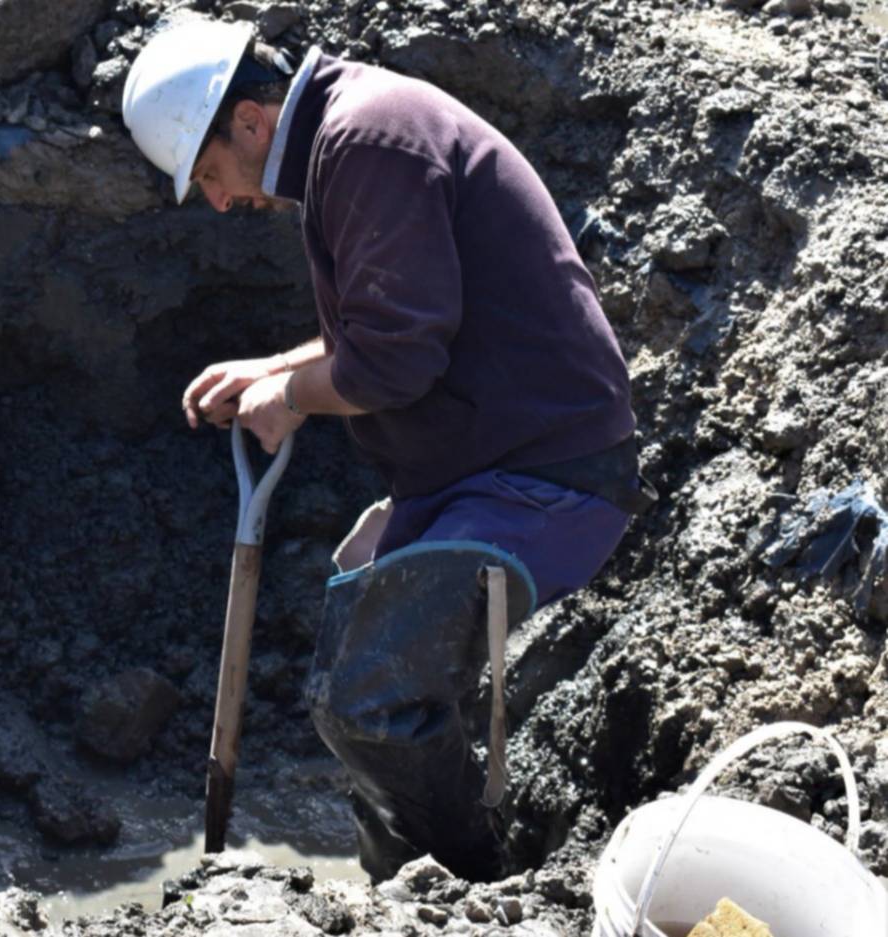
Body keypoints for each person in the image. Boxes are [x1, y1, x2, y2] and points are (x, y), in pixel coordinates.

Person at [123, 20, 654, 881]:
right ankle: (395, 895)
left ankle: (483, 886)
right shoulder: (355, 134)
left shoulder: (368, 139)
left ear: (252, 120)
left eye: (213, 175)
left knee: (369, 696)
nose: (219, 203)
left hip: (542, 476)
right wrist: (276, 368)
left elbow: (397, 362)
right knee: (360, 696)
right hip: (482, 468)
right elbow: (388, 324)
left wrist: (293, 395)